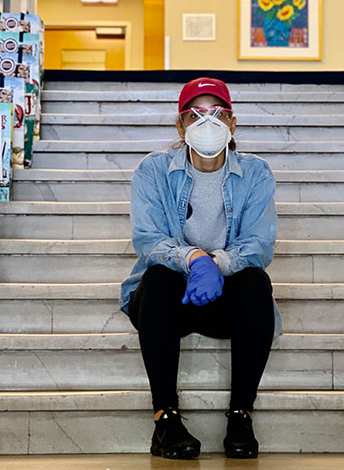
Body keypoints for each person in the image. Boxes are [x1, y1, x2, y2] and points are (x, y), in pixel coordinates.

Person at [120, 77, 280, 460]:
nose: (207, 122)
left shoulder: (256, 173)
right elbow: (148, 238)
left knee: (256, 283)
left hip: (225, 301)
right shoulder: (154, 171)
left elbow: (259, 244)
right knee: (157, 279)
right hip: (167, 304)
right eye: (195, 114)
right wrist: (191, 259)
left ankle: (241, 416)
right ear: (180, 125)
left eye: (216, 113)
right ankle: (165, 420)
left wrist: (218, 263)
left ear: (232, 122)